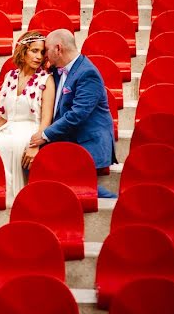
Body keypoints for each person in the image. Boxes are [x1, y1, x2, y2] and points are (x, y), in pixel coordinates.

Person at [28, 29, 118, 198]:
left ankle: (113, 200)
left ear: (58, 49)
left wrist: (45, 134)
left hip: (86, 140)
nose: (44, 55)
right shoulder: (56, 70)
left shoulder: (87, 73)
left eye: (46, 50)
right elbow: (32, 87)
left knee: (69, 181)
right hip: (66, 136)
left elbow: (77, 114)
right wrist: (5, 106)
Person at [0, 31, 55, 205]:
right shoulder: (9, 77)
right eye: (34, 51)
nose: (38, 57)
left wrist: (35, 146)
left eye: (42, 53)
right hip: (8, 129)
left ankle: (4, 198)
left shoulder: (46, 80)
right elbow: (4, 115)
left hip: (29, 132)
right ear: (23, 51)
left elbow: (46, 120)